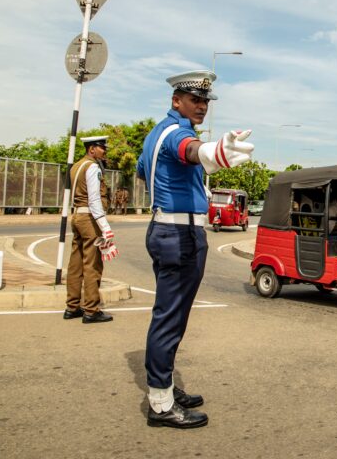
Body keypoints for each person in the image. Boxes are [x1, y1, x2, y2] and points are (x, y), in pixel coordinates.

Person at [136, 70, 254, 429]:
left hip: (167, 227)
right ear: (177, 101)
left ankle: (166, 387)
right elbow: (188, 152)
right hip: (180, 232)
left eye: (205, 101)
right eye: (194, 100)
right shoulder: (178, 134)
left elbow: (144, 172)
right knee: (170, 317)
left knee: (172, 315)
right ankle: (160, 403)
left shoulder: (156, 134)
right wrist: (212, 152)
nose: (201, 106)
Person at [64, 135, 119, 324]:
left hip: (77, 216)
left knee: (75, 264)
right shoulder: (93, 167)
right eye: (101, 147)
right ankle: (91, 310)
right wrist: (105, 226)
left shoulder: (76, 166)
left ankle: (72, 306)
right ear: (91, 149)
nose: (104, 151)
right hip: (89, 219)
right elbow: (94, 199)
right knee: (92, 265)